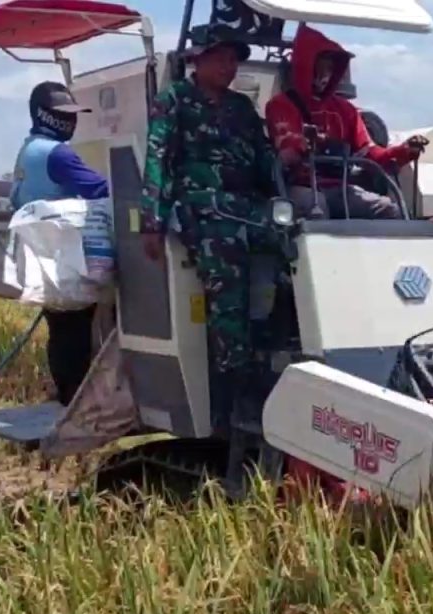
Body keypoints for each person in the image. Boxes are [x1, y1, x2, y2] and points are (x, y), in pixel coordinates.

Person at [138, 31, 291, 436]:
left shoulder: (242, 108)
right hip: (205, 212)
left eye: (234, 60)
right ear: (198, 61)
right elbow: (158, 159)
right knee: (228, 299)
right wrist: (151, 222)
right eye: (221, 58)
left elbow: (265, 164)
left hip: (250, 210)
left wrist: (287, 174)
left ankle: (279, 353)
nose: (230, 67)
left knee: (297, 253)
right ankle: (231, 402)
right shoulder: (174, 101)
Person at [9, 80, 109, 407]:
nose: (71, 120)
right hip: (63, 255)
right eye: (63, 114)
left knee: (63, 326)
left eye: (73, 113)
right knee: (75, 330)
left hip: (43, 254)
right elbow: (101, 189)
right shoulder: (57, 154)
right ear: (43, 115)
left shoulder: (29, 149)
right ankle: (75, 403)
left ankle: (67, 396)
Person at [263, 24, 428, 219]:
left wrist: (404, 151)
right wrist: (304, 143)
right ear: (305, 65)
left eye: (330, 68)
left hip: (341, 188)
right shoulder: (281, 105)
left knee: (390, 209)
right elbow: (286, 149)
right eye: (319, 66)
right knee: (316, 207)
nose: (325, 74)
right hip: (300, 186)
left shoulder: (346, 110)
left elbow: (371, 154)